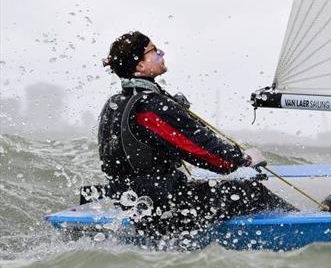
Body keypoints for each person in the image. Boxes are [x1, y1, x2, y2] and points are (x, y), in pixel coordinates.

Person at [98, 31, 295, 239]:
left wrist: (175, 110)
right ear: (139, 66)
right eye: (155, 52)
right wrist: (243, 159)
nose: (161, 54)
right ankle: (301, 228)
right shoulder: (150, 106)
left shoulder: (115, 103)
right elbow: (202, 150)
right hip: (161, 208)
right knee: (251, 191)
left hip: (136, 202)